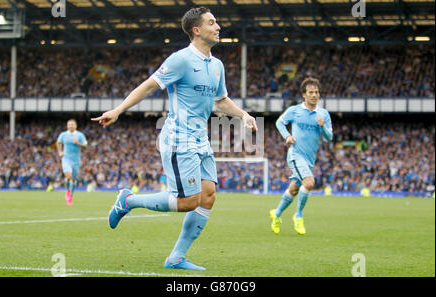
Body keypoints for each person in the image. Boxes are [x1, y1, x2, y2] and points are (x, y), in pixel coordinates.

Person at [92, 6, 257, 271]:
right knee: (188, 201)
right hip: (179, 138)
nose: (218, 27)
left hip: (201, 139)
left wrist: (244, 115)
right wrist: (118, 110)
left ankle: (176, 258)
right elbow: (149, 85)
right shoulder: (180, 60)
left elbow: (221, 100)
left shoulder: (216, 65)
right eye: (212, 23)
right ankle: (128, 200)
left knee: (208, 195)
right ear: (196, 30)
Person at [270, 77, 333, 235]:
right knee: (309, 182)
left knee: (294, 189)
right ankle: (298, 216)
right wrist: (287, 136)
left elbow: (329, 137)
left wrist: (323, 126)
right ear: (304, 95)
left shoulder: (323, 114)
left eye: (317, 92)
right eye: (311, 92)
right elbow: (280, 122)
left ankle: (276, 214)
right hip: (295, 155)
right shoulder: (295, 110)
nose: (314, 95)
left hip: (309, 159)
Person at [56, 119, 88, 206]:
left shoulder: (80, 135)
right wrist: (60, 152)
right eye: (69, 125)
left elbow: (85, 145)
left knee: (73, 179)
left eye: (72, 124)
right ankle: (68, 191)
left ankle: (70, 195)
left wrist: (78, 143)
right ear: (67, 126)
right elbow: (58, 143)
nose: (71, 126)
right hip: (66, 158)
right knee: (68, 176)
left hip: (76, 160)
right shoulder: (63, 134)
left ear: (75, 126)